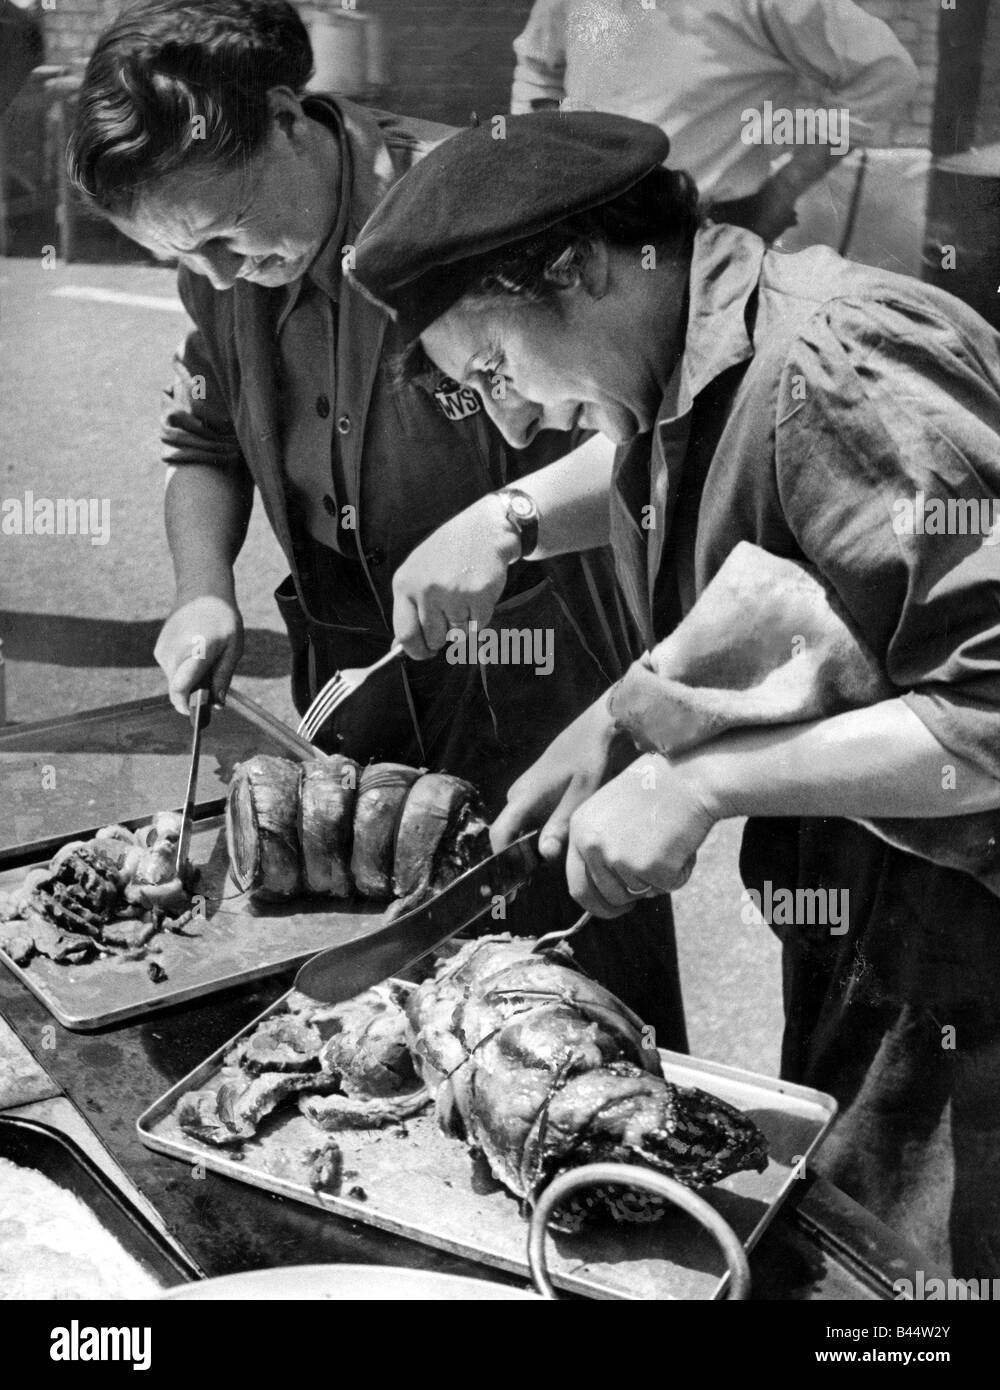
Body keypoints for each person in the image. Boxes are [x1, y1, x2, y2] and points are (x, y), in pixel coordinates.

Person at [348, 111, 1000, 1276]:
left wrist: (698, 780)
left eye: (495, 366)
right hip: (867, 907)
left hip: (968, 940)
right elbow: (742, 519)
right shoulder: (683, 362)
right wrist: (613, 709)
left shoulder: (836, 362)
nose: (509, 418)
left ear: (582, 266)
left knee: (913, 1285)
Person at [65, 0, 684, 1037]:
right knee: (368, 1008)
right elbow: (206, 444)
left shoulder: (480, 204)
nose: (218, 276)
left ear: (286, 118)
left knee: (565, 1003)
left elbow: (649, 426)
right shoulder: (222, 269)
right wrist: (202, 592)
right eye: (185, 257)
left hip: (536, 675)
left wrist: (509, 514)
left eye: (226, 234)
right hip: (356, 662)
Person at [511, 0, 918, 242]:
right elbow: (538, 68)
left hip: (709, 232)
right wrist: (542, 181)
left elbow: (886, 73)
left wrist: (785, 189)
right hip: (586, 224)